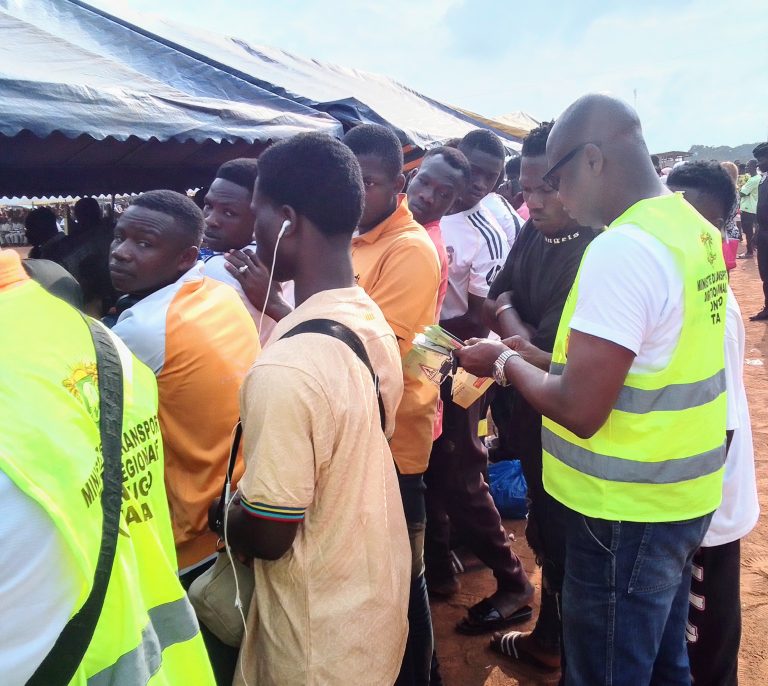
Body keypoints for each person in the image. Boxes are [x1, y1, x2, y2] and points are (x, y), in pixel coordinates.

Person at [457, 94, 727, 685]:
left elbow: (580, 410)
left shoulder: (622, 248)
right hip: (679, 493)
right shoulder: (691, 227)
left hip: (621, 511)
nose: (551, 195)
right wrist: (537, 358)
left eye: (555, 179)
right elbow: (649, 360)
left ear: (594, 160)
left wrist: (504, 361)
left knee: (606, 671)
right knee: (664, 665)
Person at [213, 132, 410, 686]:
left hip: (313, 644)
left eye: (257, 212)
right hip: (370, 601)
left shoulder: (285, 369)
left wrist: (223, 514)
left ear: (285, 221)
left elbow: (270, 533)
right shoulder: (366, 319)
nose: (252, 230)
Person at [0, 248, 215, 684]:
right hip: (159, 658)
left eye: (145, 242)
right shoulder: (101, 337)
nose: (121, 252)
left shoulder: (143, 329)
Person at [482, 121, 600, 671]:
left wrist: (513, 328)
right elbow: (497, 298)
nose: (534, 201)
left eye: (547, 188)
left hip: (567, 427)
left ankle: (564, 647)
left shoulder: (594, 247)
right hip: (527, 418)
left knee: (566, 537)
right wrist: (514, 324)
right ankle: (550, 638)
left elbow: (549, 354)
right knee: (543, 526)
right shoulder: (535, 230)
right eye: (526, 188)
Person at [343, 123, 442, 685]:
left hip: (395, 439)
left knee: (404, 579)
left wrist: (277, 306)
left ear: (397, 185)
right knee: (375, 578)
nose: (356, 193)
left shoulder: (408, 248)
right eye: (347, 180)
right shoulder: (351, 237)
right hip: (358, 436)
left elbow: (375, 351)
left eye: (370, 182)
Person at [427, 128, 534, 635]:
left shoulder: (488, 228)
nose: (477, 184)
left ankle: (513, 580)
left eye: (490, 177)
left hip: (465, 360)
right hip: (420, 352)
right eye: (472, 171)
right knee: (424, 460)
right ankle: (439, 564)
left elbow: (480, 315)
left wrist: (414, 328)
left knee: (459, 467)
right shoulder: (423, 206)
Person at [666, 161, 759, 686]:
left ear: (719, 228)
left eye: (693, 218)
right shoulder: (693, 286)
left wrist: (689, 516)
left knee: (704, 636)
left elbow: (719, 426)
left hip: (705, 503)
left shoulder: (712, 309)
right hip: (700, 497)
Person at [200, 158, 284, 343]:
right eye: (208, 205)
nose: (210, 220)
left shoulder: (221, 270)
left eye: (229, 212)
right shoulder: (287, 260)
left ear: (261, 218)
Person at [406, 145, 471, 318]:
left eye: (443, 194)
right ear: (412, 176)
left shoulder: (422, 249)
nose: (427, 196)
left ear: (453, 205)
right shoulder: (391, 223)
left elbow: (377, 318)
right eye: (424, 182)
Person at [750, 142, 768, 320]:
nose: (758, 163)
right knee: (765, 271)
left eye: (761, 158)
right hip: (763, 233)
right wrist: (757, 232)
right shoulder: (763, 180)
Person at [738, 159, 760, 258]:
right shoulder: (757, 178)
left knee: (748, 231)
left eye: (748, 166)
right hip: (754, 207)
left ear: (755, 167)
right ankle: (753, 248)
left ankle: (749, 252)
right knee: (753, 229)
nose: (746, 168)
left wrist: (739, 189)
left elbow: (742, 193)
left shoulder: (753, 180)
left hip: (748, 208)